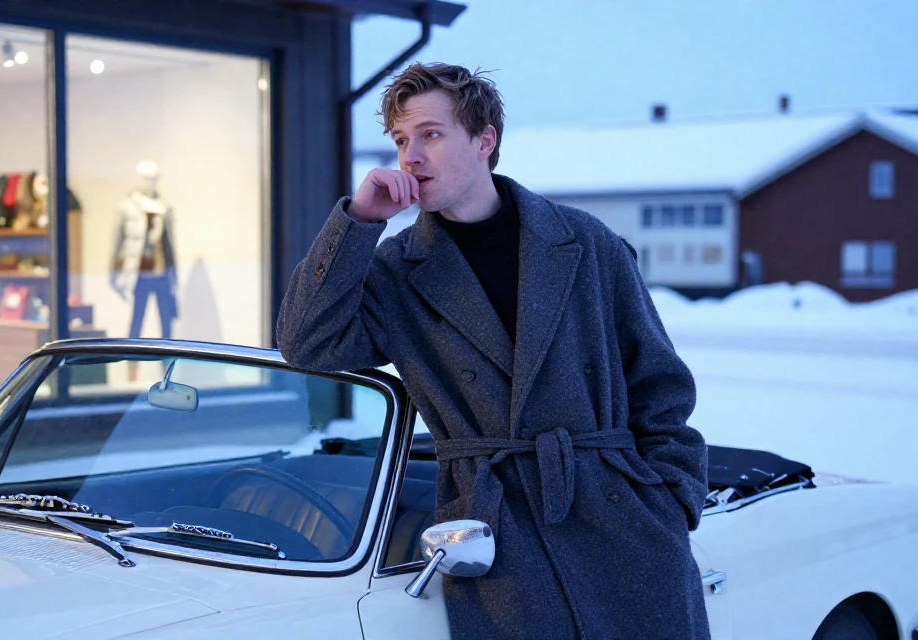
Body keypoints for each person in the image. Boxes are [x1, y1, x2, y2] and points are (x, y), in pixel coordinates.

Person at [276, 62, 710, 639]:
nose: (410, 156)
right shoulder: (398, 271)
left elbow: (659, 385)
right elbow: (307, 344)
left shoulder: (587, 244)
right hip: (494, 533)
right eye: (401, 140)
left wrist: (669, 502)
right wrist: (358, 223)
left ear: (486, 140)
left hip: (623, 524)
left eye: (430, 134)